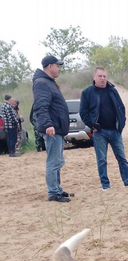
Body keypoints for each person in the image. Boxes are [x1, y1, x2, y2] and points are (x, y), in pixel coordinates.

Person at [80, 67, 128, 190]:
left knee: (122, 158)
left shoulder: (112, 91)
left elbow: (121, 108)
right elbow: (83, 112)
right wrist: (92, 124)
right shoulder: (87, 93)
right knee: (102, 160)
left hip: (115, 131)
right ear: (94, 78)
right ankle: (105, 185)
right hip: (99, 132)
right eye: (100, 76)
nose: (102, 79)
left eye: (104, 76)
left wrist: (121, 124)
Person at [32, 55, 72, 203]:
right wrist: (48, 124)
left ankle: (58, 189)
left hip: (57, 128)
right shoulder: (42, 83)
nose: (59, 69)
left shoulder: (49, 82)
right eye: (57, 66)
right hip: (52, 129)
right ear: (50, 66)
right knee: (54, 161)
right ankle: (54, 192)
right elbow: (41, 106)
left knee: (58, 161)